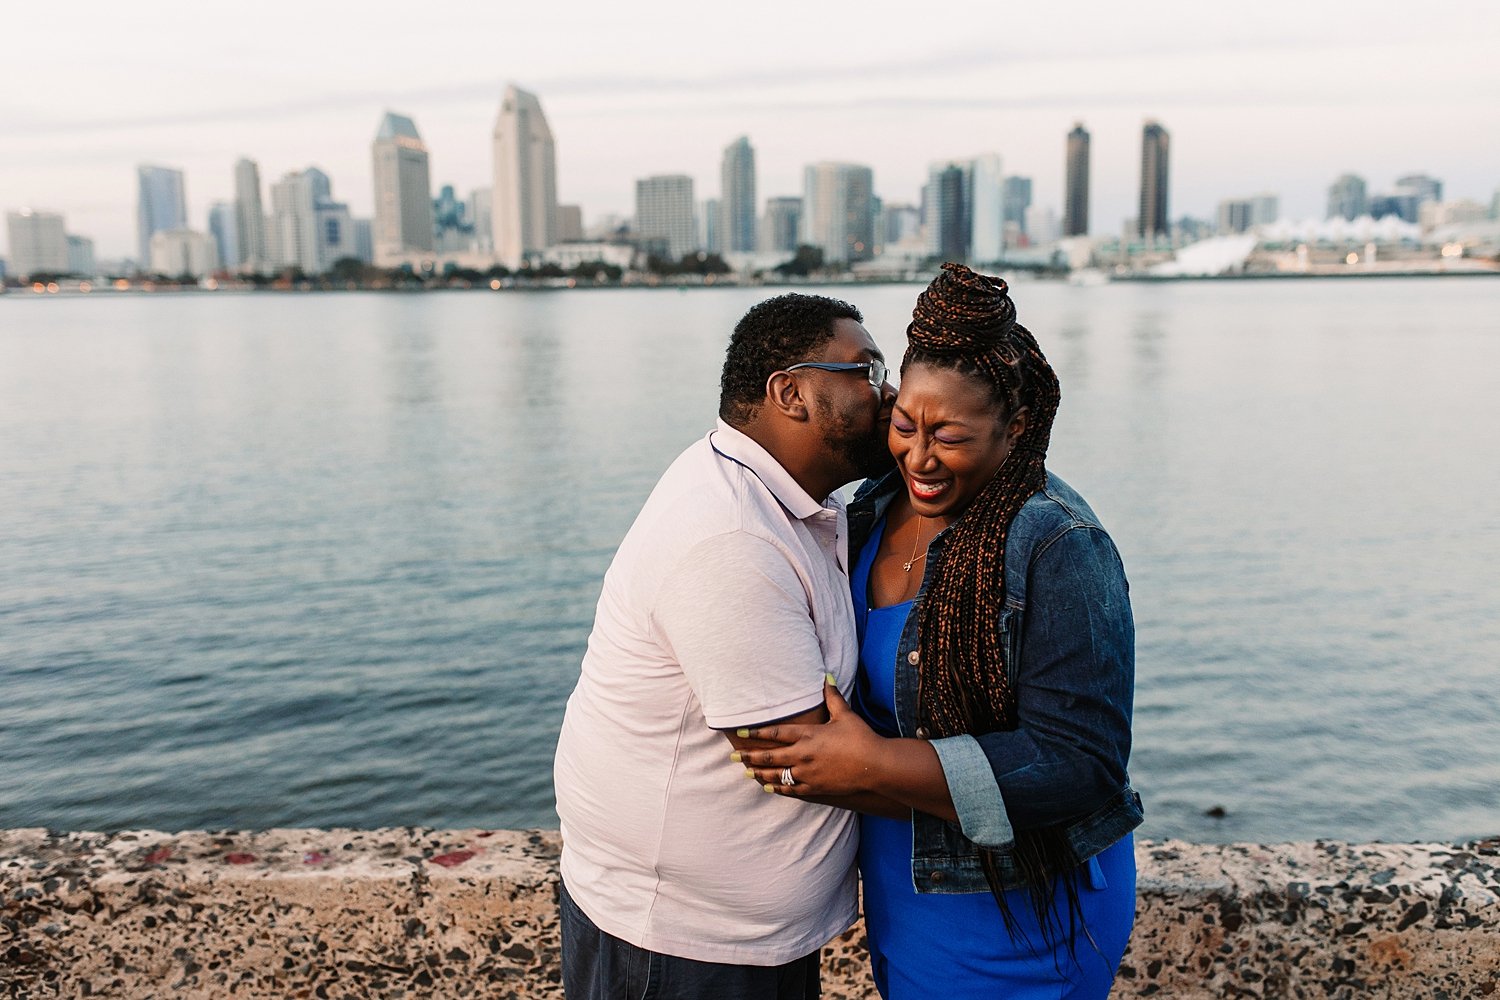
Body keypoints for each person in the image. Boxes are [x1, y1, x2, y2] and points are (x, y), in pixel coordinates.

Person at [739, 263, 1142, 999]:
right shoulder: (867, 512)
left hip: (1026, 908)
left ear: (1015, 429)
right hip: (905, 888)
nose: (919, 458)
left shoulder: (1056, 544)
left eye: (950, 436)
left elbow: (1081, 765)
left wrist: (870, 766)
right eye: (905, 425)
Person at [553, 293, 898, 1000]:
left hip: (730, 941)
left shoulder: (797, 504)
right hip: (680, 951)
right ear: (790, 392)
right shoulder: (732, 536)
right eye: (866, 371)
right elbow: (807, 760)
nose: (889, 393)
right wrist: (1022, 787)